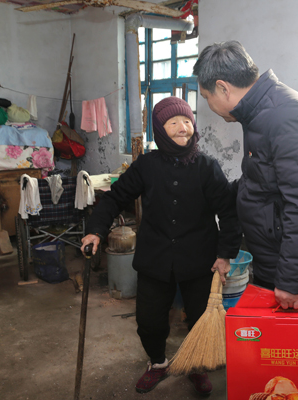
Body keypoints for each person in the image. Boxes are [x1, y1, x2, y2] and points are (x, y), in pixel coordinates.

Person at [81, 97, 241, 395]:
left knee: (199, 318)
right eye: (173, 122)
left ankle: (197, 365)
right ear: (159, 129)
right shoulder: (147, 165)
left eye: (187, 121)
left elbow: (229, 213)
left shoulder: (207, 167)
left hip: (199, 259)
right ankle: (158, 363)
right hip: (155, 258)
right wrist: (95, 231)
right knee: (149, 321)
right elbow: (115, 197)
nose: (183, 128)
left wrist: (225, 255)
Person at [193, 41, 298, 309]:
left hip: (297, 271)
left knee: (295, 337)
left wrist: (291, 280)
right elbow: (263, 180)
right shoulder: (260, 114)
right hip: (276, 258)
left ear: (223, 88)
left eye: (207, 97)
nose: (209, 104)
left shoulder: (288, 117)